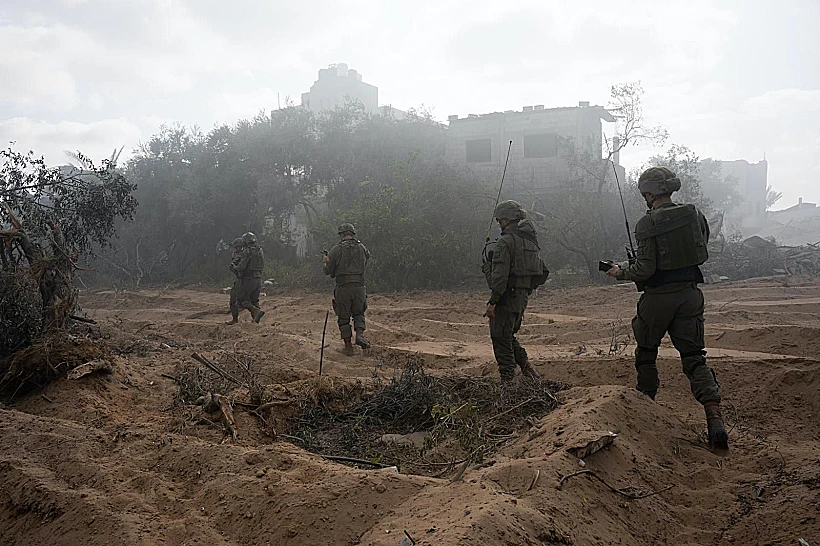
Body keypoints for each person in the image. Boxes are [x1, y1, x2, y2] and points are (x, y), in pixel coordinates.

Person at [606, 166, 728, 449]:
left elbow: (646, 268)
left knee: (647, 352)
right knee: (695, 357)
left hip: (659, 298)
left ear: (649, 193)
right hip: (690, 294)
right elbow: (700, 250)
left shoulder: (647, 223)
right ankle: (715, 419)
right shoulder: (694, 214)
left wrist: (621, 272)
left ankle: (645, 407)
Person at [483, 200, 548, 383]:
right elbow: (542, 272)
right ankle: (529, 371)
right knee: (507, 335)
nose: (498, 224)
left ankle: (508, 382)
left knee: (499, 337)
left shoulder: (506, 242)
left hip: (506, 296)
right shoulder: (530, 241)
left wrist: (493, 301)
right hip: (521, 297)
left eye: (499, 221)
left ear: (505, 220)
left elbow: (500, 276)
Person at [323, 223, 370, 356]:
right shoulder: (362, 247)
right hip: (360, 287)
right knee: (359, 313)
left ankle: (348, 347)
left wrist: (326, 261)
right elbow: (366, 260)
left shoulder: (336, 249)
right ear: (352, 233)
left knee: (343, 318)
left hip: (343, 288)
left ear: (341, 235)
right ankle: (360, 336)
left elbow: (328, 271)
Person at [226, 232, 265, 324]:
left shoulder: (247, 251)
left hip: (247, 280)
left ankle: (256, 312)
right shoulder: (260, 250)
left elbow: (241, 267)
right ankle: (256, 320)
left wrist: (234, 268)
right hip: (258, 278)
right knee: (254, 300)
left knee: (241, 301)